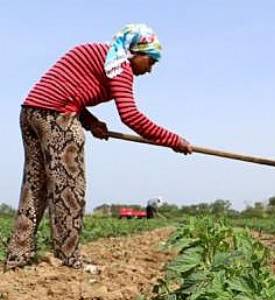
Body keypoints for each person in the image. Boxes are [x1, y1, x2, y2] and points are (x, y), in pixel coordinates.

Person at [5, 24, 192, 271]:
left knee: (34, 187)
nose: (150, 70)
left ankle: (17, 258)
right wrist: (173, 141)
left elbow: (67, 92)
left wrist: (92, 123)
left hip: (31, 113)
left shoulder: (105, 56)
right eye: (152, 61)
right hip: (58, 119)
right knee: (69, 190)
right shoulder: (120, 66)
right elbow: (131, 116)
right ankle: (69, 259)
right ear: (137, 52)